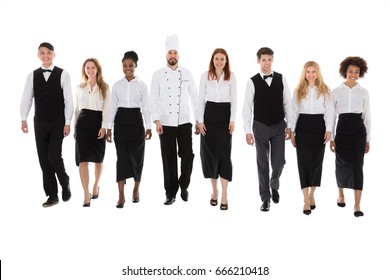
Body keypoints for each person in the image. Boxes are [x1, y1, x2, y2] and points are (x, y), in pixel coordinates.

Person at [20, 42, 73, 207]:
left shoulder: (63, 74)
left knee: (54, 156)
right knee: (44, 159)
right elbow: (26, 98)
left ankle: (65, 182)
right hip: (40, 122)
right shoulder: (32, 75)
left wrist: (67, 122)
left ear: (54, 54)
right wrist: (23, 118)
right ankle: (52, 195)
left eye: (49, 52)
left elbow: (69, 100)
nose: (45, 56)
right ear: (38, 56)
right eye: (42, 53)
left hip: (58, 122)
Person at [149, 34, 199, 205]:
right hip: (165, 123)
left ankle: (184, 185)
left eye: (175, 53)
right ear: (166, 55)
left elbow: (195, 98)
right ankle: (170, 193)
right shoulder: (157, 75)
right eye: (170, 52)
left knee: (188, 156)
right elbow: (153, 99)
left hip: (184, 121)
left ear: (179, 55)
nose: (172, 55)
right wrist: (156, 121)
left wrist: (199, 120)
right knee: (168, 159)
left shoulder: (187, 73)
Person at [242, 47, 292, 212]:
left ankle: (274, 184)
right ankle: (265, 199)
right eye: (263, 59)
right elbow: (247, 107)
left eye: (269, 59)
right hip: (260, 126)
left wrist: (290, 125)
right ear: (258, 60)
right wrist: (247, 131)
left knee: (278, 163)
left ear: (273, 60)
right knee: (262, 163)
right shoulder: (252, 81)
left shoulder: (281, 78)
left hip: (279, 126)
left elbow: (287, 103)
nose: (266, 63)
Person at [107, 51, 152, 208]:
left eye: (131, 65)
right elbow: (112, 107)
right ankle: (120, 195)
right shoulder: (116, 85)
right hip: (120, 123)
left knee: (138, 159)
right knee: (122, 159)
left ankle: (136, 189)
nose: (128, 68)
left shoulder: (142, 85)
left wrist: (149, 127)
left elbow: (146, 108)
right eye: (125, 65)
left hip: (136, 123)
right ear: (121, 66)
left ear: (136, 66)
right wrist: (108, 128)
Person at [290, 61, 333, 215]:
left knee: (316, 163)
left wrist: (329, 130)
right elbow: (293, 112)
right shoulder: (298, 90)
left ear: (318, 73)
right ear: (304, 73)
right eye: (308, 72)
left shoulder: (325, 90)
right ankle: (305, 200)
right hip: (303, 128)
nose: (311, 74)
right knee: (303, 163)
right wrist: (292, 131)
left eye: (313, 71)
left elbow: (330, 112)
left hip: (319, 127)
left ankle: (312, 195)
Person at [330, 56, 371, 217]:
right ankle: (340, 194)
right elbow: (332, 117)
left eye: (356, 72)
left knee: (357, 166)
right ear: (344, 72)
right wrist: (332, 138)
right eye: (350, 71)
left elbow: (367, 117)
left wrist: (368, 140)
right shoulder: (336, 92)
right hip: (342, 130)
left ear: (360, 73)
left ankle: (357, 204)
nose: (353, 74)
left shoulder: (364, 92)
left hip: (358, 132)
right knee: (340, 164)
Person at [198, 48, 237, 210]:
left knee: (224, 155)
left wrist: (232, 120)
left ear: (226, 61)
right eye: (216, 59)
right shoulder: (205, 76)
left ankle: (225, 193)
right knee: (209, 155)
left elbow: (234, 99)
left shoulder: (231, 76)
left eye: (222, 59)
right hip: (209, 116)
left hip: (224, 117)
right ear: (212, 60)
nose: (219, 62)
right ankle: (214, 191)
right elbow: (200, 99)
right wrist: (200, 121)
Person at [74, 58, 110, 207]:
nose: (90, 70)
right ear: (84, 70)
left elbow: (107, 108)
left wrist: (104, 127)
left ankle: (95, 186)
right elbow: (77, 109)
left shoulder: (105, 87)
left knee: (98, 159)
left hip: (97, 123)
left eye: (93, 68)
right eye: (87, 68)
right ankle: (85, 193)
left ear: (98, 69)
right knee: (83, 160)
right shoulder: (80, 87)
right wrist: (75, 126)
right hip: (82, 124)